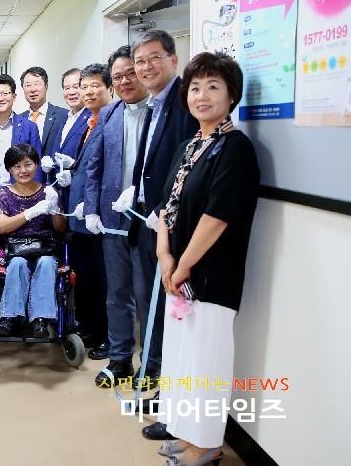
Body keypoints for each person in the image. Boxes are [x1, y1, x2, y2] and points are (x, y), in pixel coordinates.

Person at [151, 52, 259, 466]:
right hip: (177, 272)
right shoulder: (190, 145)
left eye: (213, 87)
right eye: (195, 87)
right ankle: (186, 431)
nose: (202, 95)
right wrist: (164, 255)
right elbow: (167, 207)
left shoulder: (236, 148)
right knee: (183, 359)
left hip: (211, 275)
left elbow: (217, 217)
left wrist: (183, 266)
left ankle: (208, 443)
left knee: (206, 362)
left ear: (231, 96)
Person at [128, 30, 199, 417]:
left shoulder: (185, 101)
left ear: (173, 59)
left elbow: (184, 167)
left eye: (154, 57)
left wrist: (163, 209)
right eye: (140, 61)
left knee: (172, 311)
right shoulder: (154, 104)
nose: (146, 67)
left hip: (172, 226)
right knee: (150, 306)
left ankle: (169, 390)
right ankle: (156, 375)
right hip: (148, 223)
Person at [81, 46, 151, 386]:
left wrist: (144, 193)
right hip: (112, 218)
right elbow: (94, 166)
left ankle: (151, 364)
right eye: (118, 76)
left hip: (148, 219)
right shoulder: (109, 114)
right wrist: (91, 208)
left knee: (146, 293)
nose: (125, 81)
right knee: (117, 293)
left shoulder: (161, 111)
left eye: (130, 74)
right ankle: (120, 359)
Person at [60, 63, 113, 355]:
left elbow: (110, 170)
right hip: (79, 217)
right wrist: (72, 172)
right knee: (86, 277)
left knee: (103, 280)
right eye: (84, 86)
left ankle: (108, 336)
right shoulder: (91, 121)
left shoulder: (111, 120)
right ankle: (91, 328)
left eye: (95, 86)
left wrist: (93, 205)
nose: (88, 92)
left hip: (98, 218)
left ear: (109, 88)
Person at [0, 144, 66, 337]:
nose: (23, 170)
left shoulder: (48, 192)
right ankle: (10, 318)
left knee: (46, 263)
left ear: (36, 165)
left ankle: (41, 320)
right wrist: (30, 213)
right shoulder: (2, 194)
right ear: (9, 169)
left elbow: (60, 228)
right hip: (15, 250)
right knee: (17, 264)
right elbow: (2, 226)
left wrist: (54, 208)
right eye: (17, 166)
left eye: (28, 164)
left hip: (45, 248)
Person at [0, 74, 42, 214]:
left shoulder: (29, 127)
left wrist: (36, 197)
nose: (0, 98)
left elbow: (37, 164)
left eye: (5, 93)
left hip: (21, 193)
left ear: (14, 97)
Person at [19, 66, 68, 156]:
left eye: (37, 84)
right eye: (28, 85)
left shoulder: (64, 116)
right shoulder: (18, 120)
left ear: (46, 86)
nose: (33, 89)